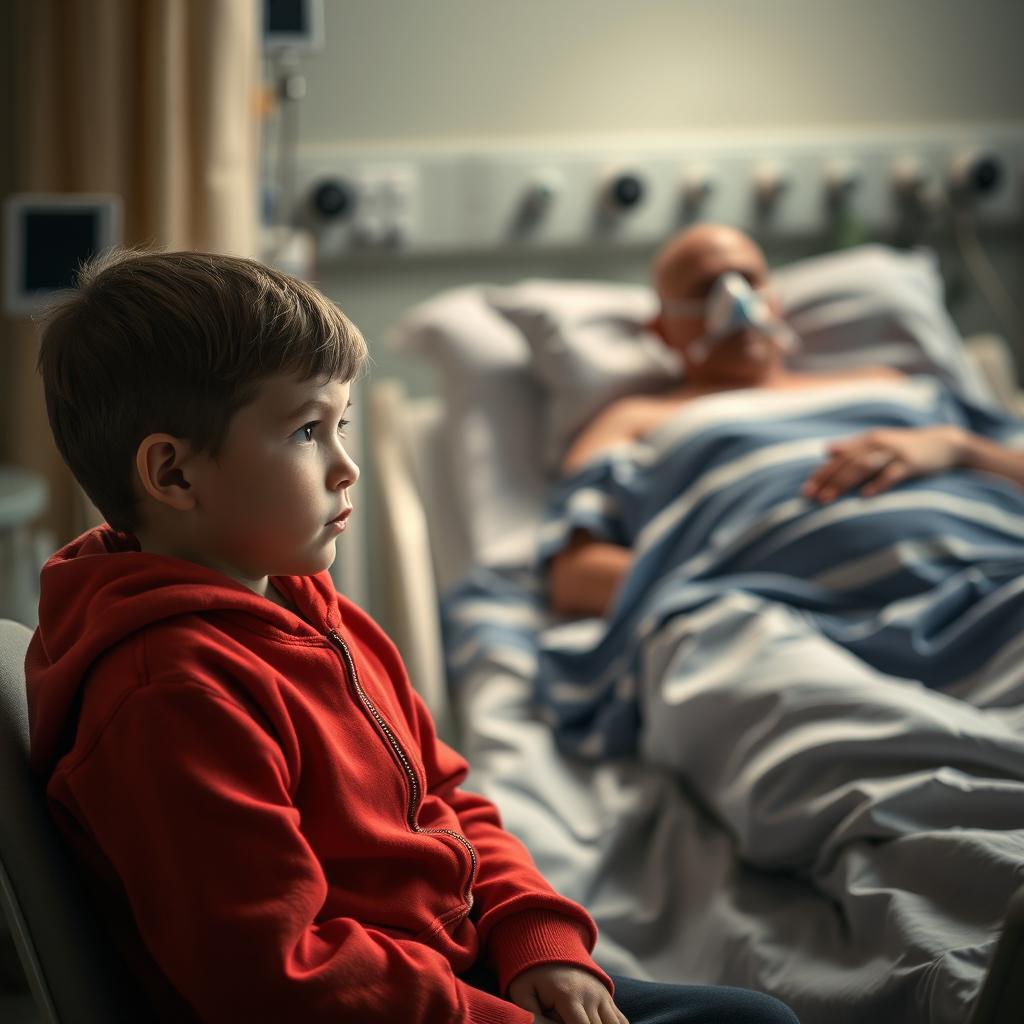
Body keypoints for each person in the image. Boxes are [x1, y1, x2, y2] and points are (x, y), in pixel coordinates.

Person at [24, 249, 799, 1024]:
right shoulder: (172, 695)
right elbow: (275, 978)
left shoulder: (313, 613)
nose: (346, 467)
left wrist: (535, 935)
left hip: (459, 974)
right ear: (174, 475)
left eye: (342, 426)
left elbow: (446, 798)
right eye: (305, 432)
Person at [550, 223, 1024, 618]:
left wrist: (959, 447)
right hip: (789, 628)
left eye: (748, 280)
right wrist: (728, 597)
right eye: (705, 289)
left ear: (775, 300)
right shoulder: (635, 421)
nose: (734, 301)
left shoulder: (890, 382)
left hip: (997, 579)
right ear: (661, 330)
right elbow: (573, 576)